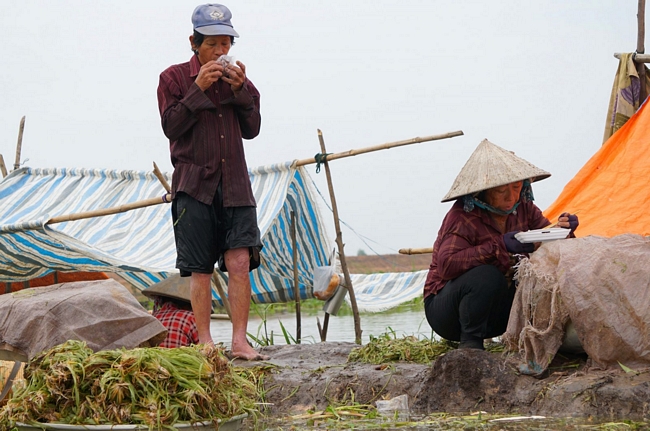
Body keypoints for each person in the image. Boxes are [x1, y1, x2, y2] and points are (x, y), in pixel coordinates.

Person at [157, 3, 267, 360]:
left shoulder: (239, 81)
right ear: (194, 42)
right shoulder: (173, 78)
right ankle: (205, 344)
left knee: (239, 263)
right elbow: (171, 127)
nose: (221, 53)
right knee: (199, 269)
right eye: (213, 45)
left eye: (226, 44)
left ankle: (239, 342)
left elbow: (252, 129)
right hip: (194, 186)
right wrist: (198, 90)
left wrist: (241, 93)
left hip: (235, 185)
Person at [423, 139, 579, 350]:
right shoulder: (462, 216)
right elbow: (447, 265)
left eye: (516, 188)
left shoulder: (525, 208)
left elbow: (549, 243)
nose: (511, 196)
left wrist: (564, 231)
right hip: (448, 314)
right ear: (483, 191)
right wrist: (500, 245)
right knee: (487, 276)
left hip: (499, 313)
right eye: (501, 191)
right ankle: (471, 347)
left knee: (539, 275)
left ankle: (534, 342)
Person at [143, 275, 200, 348]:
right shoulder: (190, 317)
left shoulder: (151, 318)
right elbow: (204, 347)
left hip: (154, 359)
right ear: (188, 304)